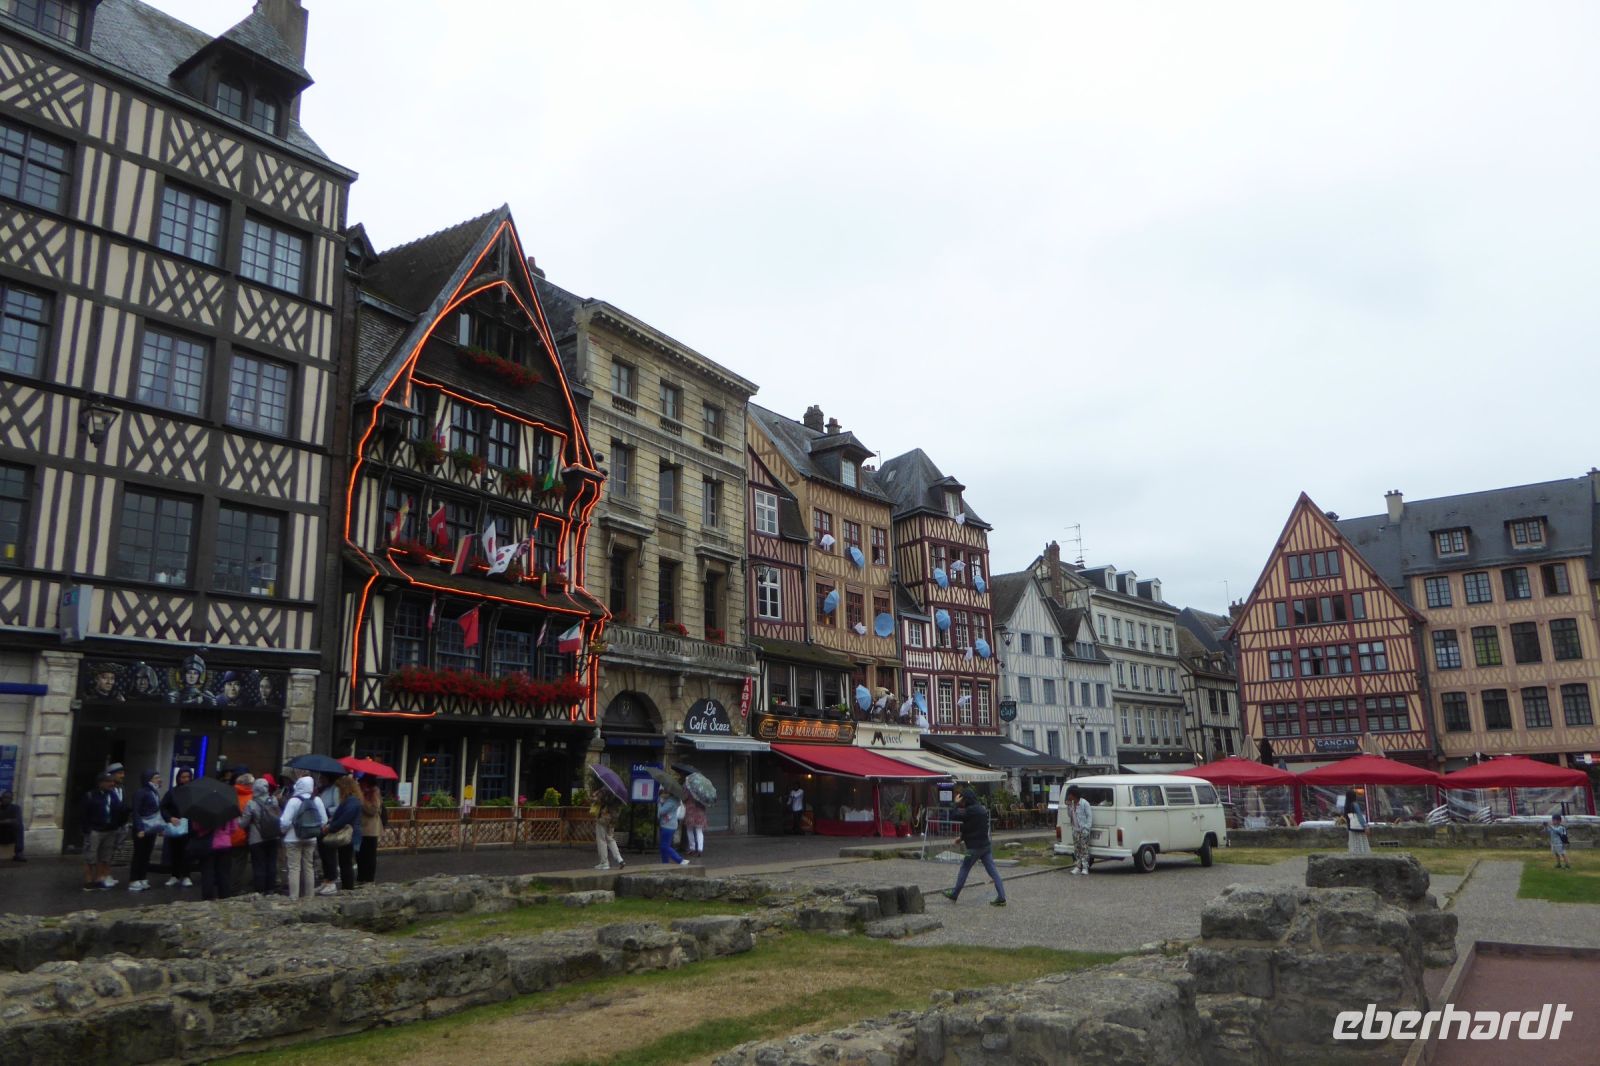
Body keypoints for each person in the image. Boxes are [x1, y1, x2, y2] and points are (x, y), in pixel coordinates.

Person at [940, 788, 1007, 907]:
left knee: (964, 869)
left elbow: (954, 815)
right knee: (993, 872)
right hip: (985, 846)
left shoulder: (970, 810)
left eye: (962, 799)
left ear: (966, 799)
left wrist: (954, 803)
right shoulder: (981, 809)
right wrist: (961, 838)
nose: (961, 802)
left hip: (973, 848)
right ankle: (1001, 897)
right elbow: (972, 827)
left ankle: (954, 894)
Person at [278, 775, 326, 900]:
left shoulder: (293, 801)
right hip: (311, 838)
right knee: (309, 866)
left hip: (293, 838)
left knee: (294, 867)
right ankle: (309, 895)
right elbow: (324, 820)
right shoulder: (317, 800)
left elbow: (285, 822)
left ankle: (294, 896)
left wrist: (284, 831)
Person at [81, 771, 127, 890]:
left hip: (110, 830)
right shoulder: (91, 795)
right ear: (100, 783)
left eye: (112, 781)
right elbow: (84, 814)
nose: (111, 784)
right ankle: (89, 880)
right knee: (90, 856)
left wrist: (119, 823)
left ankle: (100, 878)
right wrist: (87, 829)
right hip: (95, 830)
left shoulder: (113, 795)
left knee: (105, 857)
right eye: (108, 781)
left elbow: (119, 810)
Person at [238, 777, 281, 895]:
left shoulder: (251, 804)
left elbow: (243, 823)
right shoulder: (274, 800)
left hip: (257, 839)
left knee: (259, 865)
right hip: (273, 836)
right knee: (271, 863)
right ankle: (270, 889)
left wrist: (237, 818)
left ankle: (260, 890)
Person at [321, 775, 361, 893]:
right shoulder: (351, 800)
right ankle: (346, 888)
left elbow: (345, 818)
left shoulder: (352, 801)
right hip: (349, 834)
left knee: (346, 863)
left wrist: (331, 827)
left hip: (349, 835)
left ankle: (347, 889)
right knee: (345, 862)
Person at [127, 771, 163, 891]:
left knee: (147, 854)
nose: (159, 779)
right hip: (142, 827)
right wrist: (139, 828)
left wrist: (160, 827)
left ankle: (142, 877)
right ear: (149, 779)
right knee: (139, 854)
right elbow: (136, 811)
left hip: (151, 828)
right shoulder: (140, 793)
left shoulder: (154, 793)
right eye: (156, 777)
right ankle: (134, 879)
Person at [161, 769, 194, 887]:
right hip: (176, 826)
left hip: (190, 827)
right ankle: (174, 875)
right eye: (183, 777)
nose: (185, 779)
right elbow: (163, 807)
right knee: (175, 851)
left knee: (188, 852)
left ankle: (186, 875)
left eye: (187, 777)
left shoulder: (193, 792)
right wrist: (170, 818)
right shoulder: (172, 792)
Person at [195, 810, 237, 901]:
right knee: (224, 873)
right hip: (225, 844)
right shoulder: (228, 810)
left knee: (207, 873)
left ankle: (208, 898)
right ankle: (225, 896)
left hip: (208, 844)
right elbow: (234, 828)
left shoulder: (203, 810)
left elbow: (196, 827)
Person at [357, 776, 383, 886]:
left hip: (370, 829)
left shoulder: (374, 793)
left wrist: (362, 800)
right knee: (360, 855)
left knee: (369, 856)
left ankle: (369, 879)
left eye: (362, 783)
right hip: (361, 828)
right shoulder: (361, 792)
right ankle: (361, 877)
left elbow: (373, 810)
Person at [591, 790, 626, 871]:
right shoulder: (619, 793)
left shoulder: (606, 789)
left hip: (603, 817)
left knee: (601, 839)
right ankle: (619, 859)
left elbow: (598, 800)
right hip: (613, 818)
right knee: (610, 838)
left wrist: (594, 796)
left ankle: (604, 863)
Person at [1066, 784, 1093, 875]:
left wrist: (1087, 828)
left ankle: (1085, 867)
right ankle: (1078, 866)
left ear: (1074, 794)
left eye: (1070, 794)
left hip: (1083, 830)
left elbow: (1089, 816)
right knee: (1076, 849)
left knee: (1084, 849)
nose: (1069, 796)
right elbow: (1069, 815)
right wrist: (1070, 807)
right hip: (1075, 830)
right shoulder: (1071, 804)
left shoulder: (1084, 803)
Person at [657, 790, 690, 866]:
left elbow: (661, 811)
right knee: (663, 847)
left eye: (666, 792)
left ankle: (680, 860)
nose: (665, 793)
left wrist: (659, 803)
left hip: (668, 826)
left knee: (665, 846)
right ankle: (665, 863)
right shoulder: (672, 800)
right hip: (668, 825)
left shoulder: (671, 802)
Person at [0, 789, 26, 861]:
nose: (6, 800)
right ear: (1, 799)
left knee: (19, 826)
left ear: (11, 799)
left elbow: (16, 821)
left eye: (8, 798)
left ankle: (19, 853)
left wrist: (5, 822)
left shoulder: (16, 808)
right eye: (4, 797)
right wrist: (6, 821)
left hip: (9, 833)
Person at [682, 789, 708, 858]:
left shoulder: (688, 788)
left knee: (689, 829)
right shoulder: (703, 790)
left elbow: (683, 798)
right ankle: (700, 849)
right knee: (699, 831)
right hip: (700, 811)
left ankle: (692, 848)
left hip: (690, 810)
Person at [1344, 789, 1370, 855]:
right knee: (1361, 841)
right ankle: (1362, 853)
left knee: (1354, 842)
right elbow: (1359, 816)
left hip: (1351, 827)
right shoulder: (1355, 804)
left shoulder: (1346, 805)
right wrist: (1365, 826)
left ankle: (1354, 853)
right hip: (1359, 827)